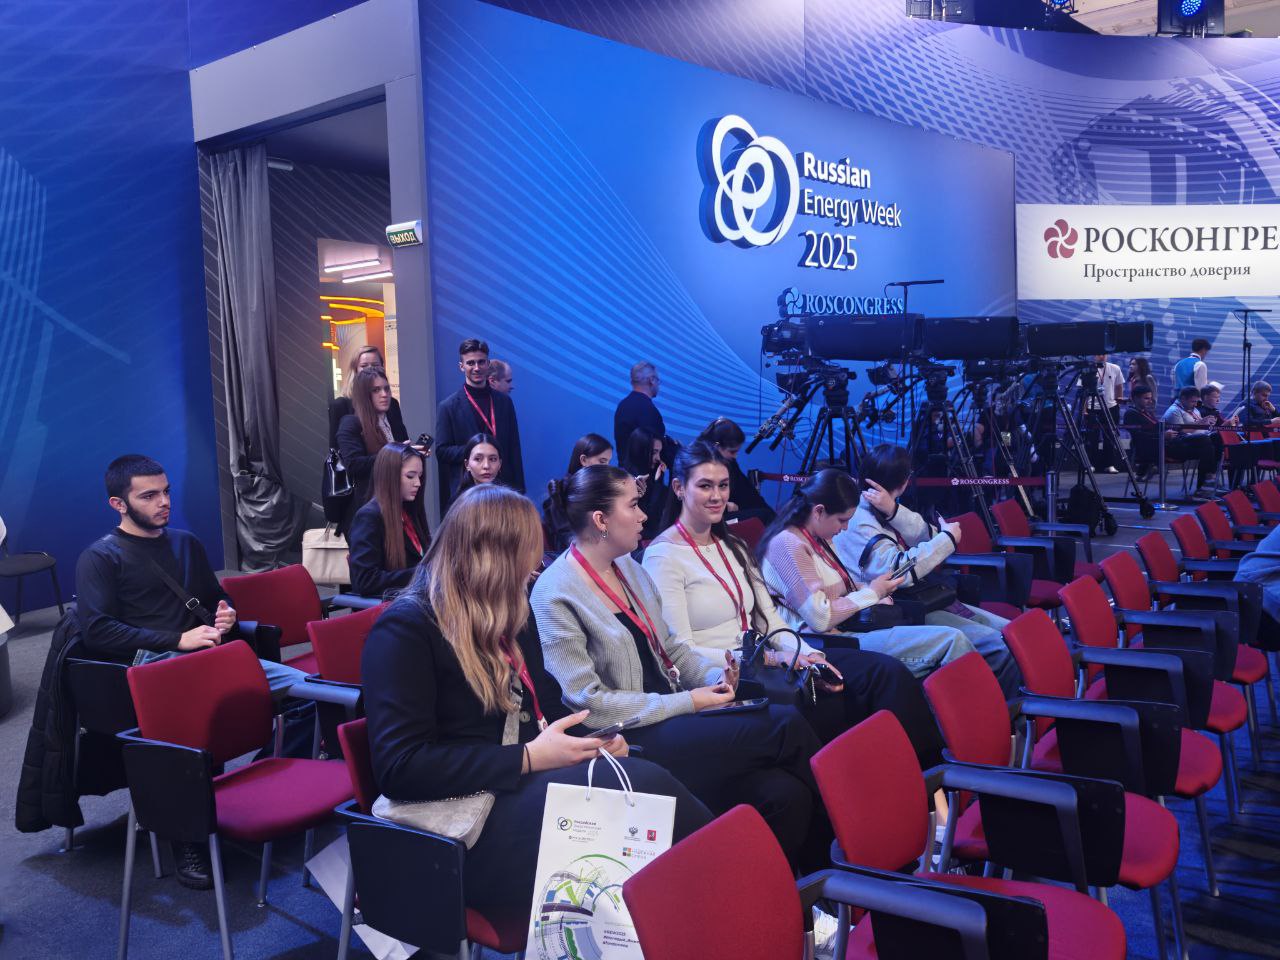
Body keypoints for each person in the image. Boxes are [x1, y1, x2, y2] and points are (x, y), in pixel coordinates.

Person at [362, 484, 712, 921]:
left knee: (646, 784)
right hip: (457, 834)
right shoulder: (406, 630)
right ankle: (740, 892)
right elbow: (400, 768)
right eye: (526, 554)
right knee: (642, 791)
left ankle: (725, 911)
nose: (535, 567)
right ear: (491, 556)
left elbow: (551, 706)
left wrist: (595, 741)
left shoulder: (509, 614)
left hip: (511, 794)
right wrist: (527, 758)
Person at [531, 465, 828, 867]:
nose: (644, 515)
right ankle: (854, 855)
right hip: (630, 737)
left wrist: (715, 679)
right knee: (785, 724)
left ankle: (801, 892)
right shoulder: (554, 593)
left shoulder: (629, 568)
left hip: (674, 717)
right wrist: (690, 701)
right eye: (633, 506)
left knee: (783, 794)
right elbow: (589, 705)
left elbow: (672, 648)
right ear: (601, 520)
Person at [74, 455, 309, 889]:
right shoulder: (100, 558)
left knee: (314, 692)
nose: (164, 502)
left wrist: (225, 614)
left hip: (209, 659)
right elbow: (98, 630)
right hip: (153, 668)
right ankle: (187, 834)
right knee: (187, 727)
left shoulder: (186, 544)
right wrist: (175, 640)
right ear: (118, 504)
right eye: (149, 496)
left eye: (165, 492)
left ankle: (251, 782)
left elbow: (217, 598)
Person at [641, 443, 947, 760]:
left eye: (723, 485)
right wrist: (772, 658)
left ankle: (929, 773)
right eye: (705, 486)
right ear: (679, 488)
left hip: (772, 656)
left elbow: (769, 620)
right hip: (724, 673)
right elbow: (681, 651)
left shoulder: (734, 546)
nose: (717, 496)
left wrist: (808, 655)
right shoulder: (663, 557)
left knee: (883, 673)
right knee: (834, 702)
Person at [833, 444, 1021, 698]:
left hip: (922, 598)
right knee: (1000, 645)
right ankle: (1000, 711)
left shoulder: (886, 509)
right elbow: (898, 572)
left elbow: (928, 536)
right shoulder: (858, 520)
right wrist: (947, 540)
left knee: (1012, 633)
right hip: (897, 609)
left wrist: (895, 511)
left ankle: (1004, 708)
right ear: (905, 483)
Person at [757, 469, 977, 681]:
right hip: (827, 644)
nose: (845, 528)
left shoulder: (817, 537)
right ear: (819, 512)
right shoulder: (787, 545)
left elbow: (839, 590)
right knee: (952, 640)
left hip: (846, 631)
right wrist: (872, 593)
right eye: (842, 520)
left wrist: (871, 591)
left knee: (951, 636)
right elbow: (820, 617)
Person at [435, 338, 525, 510]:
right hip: (467, 494)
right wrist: (475, 452)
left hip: (503, 489)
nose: (476, 368)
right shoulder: (448, 407)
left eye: (481, 362)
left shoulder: (504, 402)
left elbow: (514, 448)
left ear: (488, 364)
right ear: (461, 366)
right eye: (470, 363)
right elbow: (441, 451)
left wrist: (519, 491)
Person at [347, 443, 431, 599]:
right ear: (389, 476)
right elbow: (366, 580)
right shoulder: (368, 517)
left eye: (419, 476)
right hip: (391, 606)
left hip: (414, 599)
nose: (418, 483)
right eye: (410, 476)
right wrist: (424, 574)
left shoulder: (409, 512)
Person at [336, 366, 412, 535]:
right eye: (376, 390)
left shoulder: (392, 418)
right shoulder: (351, 423)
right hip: (368, 505)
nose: (384, 394)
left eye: (386, 388)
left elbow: (401, 456)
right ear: (364, 395)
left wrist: (413, 454)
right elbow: (354, 465)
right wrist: (395, 454)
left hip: (397, 502)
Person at [542, 433, 613, 555]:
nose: (606, 468)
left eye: (608, 462)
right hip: (572, 555)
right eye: (602, 462)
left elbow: (604, 529)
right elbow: (567, 536)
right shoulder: (562, 491)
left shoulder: (598, 489)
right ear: (583, 460)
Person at [697, 417, 776, 523]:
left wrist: (776, 521)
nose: (735, 456)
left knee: (769, 516)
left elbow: (748, 494)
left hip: (728, 513)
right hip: (708, 519)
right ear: (717, 446)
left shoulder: (729, 462)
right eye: (732, 452)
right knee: (765, 516)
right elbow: (695, 501)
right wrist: (725, 507)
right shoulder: (696, 464)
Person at [328, 345, 406, 448]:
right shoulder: (341, 405)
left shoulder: (392, 404)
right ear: (355, 370)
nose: (370, 369)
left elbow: (402, 440)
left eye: (375, 365)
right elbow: (337, 449)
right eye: (364, 366)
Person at [1163, 386, 1218, 499]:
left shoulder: (1194, 410)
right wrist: (1201, 423)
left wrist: (1208, 425)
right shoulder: (1174, 411)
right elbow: (1182, 431)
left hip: (1195, 441)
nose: (1195, 404)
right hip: (1177, 445)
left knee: (1216, 438)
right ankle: (1207, 482)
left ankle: (1207, 482)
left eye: (1196, 401)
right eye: (1192, 401)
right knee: (1205, 443)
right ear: (1183, 398)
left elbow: (1200, 429)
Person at [622, 428, 668, 542]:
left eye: (660, 452)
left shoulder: (653, 476)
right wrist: (657, 485)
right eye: (654, 452)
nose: (658, 458)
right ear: (639, 451)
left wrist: (658, 481)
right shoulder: (623, 480)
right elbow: (648, 520)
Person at [614, 361, 665, 456]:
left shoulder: (622, 405)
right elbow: (654, 449)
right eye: (658, 380)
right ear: (652, 380)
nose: (658, 385)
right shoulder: (649, 410)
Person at [1088, 354, 1124, 472]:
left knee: (1110, 437)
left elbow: (1119, 386)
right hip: (1092, 407)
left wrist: (1118, 402)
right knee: (1092, 438)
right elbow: (1083, 390)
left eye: (1104, 354)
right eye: (1099, 354)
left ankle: (1109, 464)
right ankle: (1091, 464)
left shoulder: (1115, 368)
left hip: (1111, 407)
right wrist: (1084, 410)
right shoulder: (1088, 369)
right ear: (1094, 356)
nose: (1102, 357)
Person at [1122, 385, 1160, 480]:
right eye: (1146, 398)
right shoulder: (1131, 413)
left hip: (1155, 441)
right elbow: (1138, 435)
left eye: (1150, 398)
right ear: (1136, 398)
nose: (1150, 401)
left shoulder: (1147, 412)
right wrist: (1161, 436)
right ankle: (1146, 469)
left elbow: (1156, 426)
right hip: (1144, 444)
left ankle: (1146, 470)